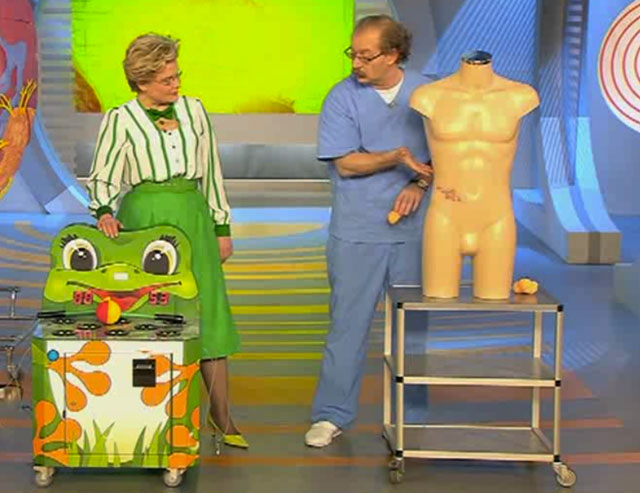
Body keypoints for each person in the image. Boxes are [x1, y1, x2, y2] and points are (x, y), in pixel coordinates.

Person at [87, 33, 248, 449]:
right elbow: (104, 174)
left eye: (177, 76)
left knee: (208, 311)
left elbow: (212, 172)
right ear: (141, 81)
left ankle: (222, 416)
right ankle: (153, 414)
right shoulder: (121, 119)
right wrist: (104, 211)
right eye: (166, 79)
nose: (176, 84)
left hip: (193, 216)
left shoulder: (195, 111)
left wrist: (222, 228)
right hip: (145, 220)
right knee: (149, 314)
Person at [305, 15, 433, 448]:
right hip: (357, 231)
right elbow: (345, 162)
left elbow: (444, 156)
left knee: (413, 328)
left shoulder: (428, 94)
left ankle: (412, 418)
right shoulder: (342, 97)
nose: (356, 63)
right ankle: (331, 415)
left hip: (412, 233)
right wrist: (397, 157)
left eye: (366, 56)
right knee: (347, 326)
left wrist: (419, 184)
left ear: (394, 54)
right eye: (353, 54)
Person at [410, 50, 540, 299]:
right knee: (437, 298)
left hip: (496, 218)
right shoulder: (428, 96)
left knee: (495, 299)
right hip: (445, 216)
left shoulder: (520, 96)